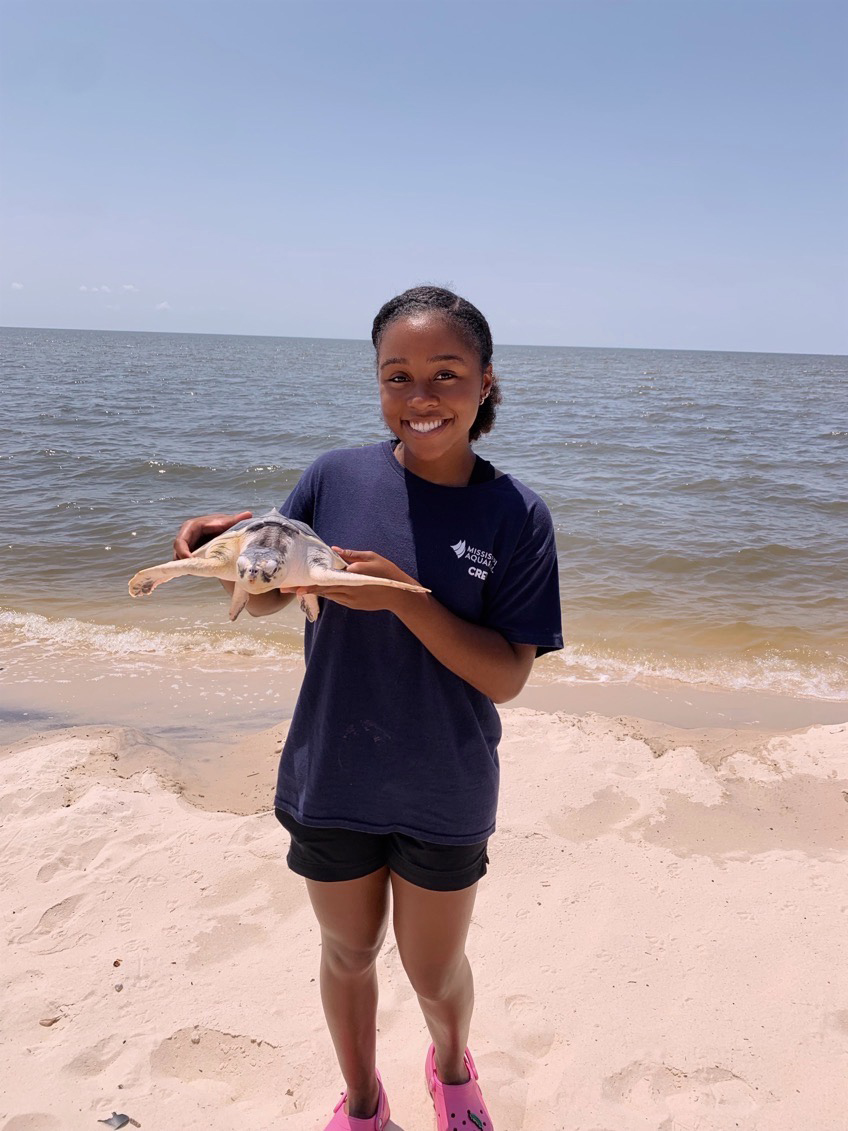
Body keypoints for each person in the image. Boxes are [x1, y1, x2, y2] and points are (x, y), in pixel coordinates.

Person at [174, 286, 563, 1131]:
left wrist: (406, 599)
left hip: (445, 782)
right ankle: (361, 1102)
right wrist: (231, 555)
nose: (421, 398)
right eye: (398, 376)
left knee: (433, 970)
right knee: (348, 952)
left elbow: (505, 676)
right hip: (333, 767)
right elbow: (281, 588)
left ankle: (452, 1068)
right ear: (378, 383)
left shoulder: (516, 515)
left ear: (487, 382)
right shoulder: (334, 475)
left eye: (446, 374)